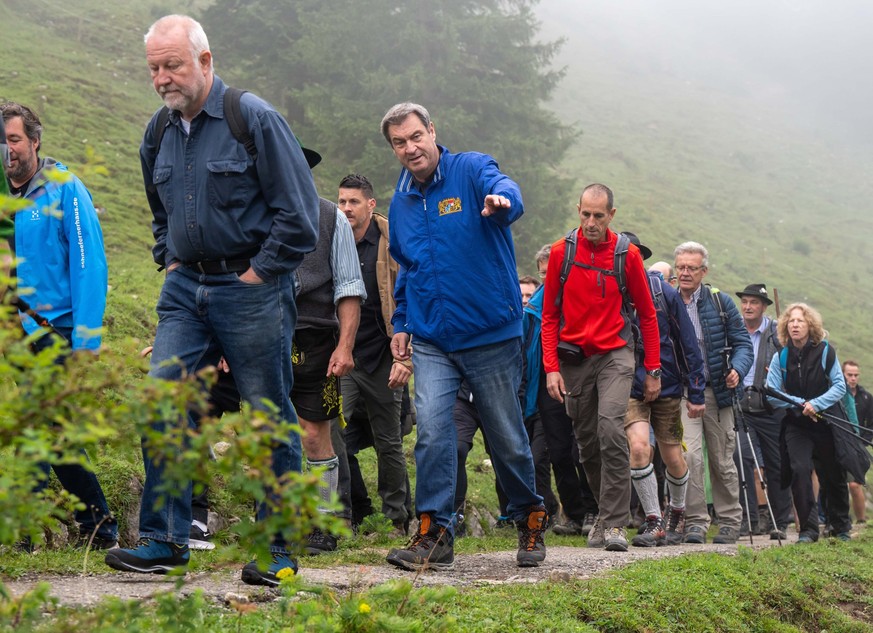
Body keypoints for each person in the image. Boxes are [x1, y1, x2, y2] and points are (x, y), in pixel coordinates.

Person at [104, 15, 319, 586]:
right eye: (153, 67)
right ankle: (165, 541)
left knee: (268, 414)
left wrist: (256, 275)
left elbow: (300, 218)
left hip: (250, 289)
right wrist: (167, 257)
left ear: (204, 61)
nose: (162, 78)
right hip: (183, 290)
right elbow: (159, 208)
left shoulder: (255, 118)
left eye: (171, 64)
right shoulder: (158, 131)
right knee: (162, 402)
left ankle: (279, 549)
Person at [381, 102, 547, 570]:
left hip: (491, 333)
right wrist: (401, 324)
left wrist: (503, 202)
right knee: (433, 432)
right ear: (393, 148)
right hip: (433, 339)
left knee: (507, 437)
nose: (410, 148)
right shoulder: (402, 203)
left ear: (432, 131)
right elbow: (407, 271)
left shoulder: (471, 170)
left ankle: (530, 515)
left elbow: (505, 186)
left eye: (416, 136)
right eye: (399, 142)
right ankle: (434, 533)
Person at [1, 102, 117, 549]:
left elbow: (90, 265)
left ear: (34, 141)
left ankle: (22, 534)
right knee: (54, 431)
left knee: (35, 421)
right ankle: (99, 525)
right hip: (13, 330)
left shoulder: (63, 188)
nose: (7, 149)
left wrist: (87, 339)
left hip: (56, 329)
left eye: (14, 139)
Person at [541, 184, 661, 552]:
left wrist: (653, 368)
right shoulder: (564, 252)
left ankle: (614, 524)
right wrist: (551, 368)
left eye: (598, 215)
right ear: (579, 210)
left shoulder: (628, 255)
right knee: (587, 444)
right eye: (585, 214)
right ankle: (603, 516)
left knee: (610, 426)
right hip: (574, 358)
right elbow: (549, 315)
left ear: (612, 215)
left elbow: (647, 312)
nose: (591, 222)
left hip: (616, 353)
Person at [335, 173, 411, 536]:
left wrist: (404, 357)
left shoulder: (392, 242)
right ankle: (353, 511)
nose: (346, 208)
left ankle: (396, 517)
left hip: (384, 353)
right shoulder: (334, 241)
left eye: (353, 202)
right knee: (334, 435)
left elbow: (408, 296)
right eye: (342, 202)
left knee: (388, 441)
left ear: (370, 204)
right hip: (345, 355)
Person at [621, 233, 706, 547]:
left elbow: (687, 343)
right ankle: (654, 519)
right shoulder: (611, 294)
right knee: (640, 448)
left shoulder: (664, 292)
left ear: (639, 258)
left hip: (668, 386)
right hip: (629, 386)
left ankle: (677, 512)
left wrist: (696, 392)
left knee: (672, 456)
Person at [673, 241, 753, 545]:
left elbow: (743, 344)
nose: (685, 273)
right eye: (681, 267)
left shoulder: (721, 304)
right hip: (683, 392)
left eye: (692, 268)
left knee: (721, 459)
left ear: (703, 271)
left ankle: (730, 520)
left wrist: (739, 370)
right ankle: (695, 521)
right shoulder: (669, 299)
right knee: (689, 455)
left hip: (718, 392)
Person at [527, 244, 598, 537]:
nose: (547, 278)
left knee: (582, 448)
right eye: (543, 274)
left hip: (579, 377)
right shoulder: (535, 304)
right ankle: (574, 514)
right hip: (548, 383)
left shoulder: (579, 295)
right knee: (557, 451)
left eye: (552, 272)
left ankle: (595, 509)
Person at [765, 303, 852, 542]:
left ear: (810, 325)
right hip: (797, 423)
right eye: (791, 321)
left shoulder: (825, 351)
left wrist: (816, 404)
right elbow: (771, 392)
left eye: (800, 321)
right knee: (799, 469)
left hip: (826, 420)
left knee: (832, 472)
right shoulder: (780, 356)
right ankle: (808, 529)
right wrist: (801, 404)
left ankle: (840, 525)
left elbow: (839, 386)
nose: (795, 325)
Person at [735, 283, 793, 539]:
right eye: (745, 301)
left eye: (754, 302)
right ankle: (749, 517)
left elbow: (791, 365)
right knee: (740, 459)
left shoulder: (776, 333)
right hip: (740, 405)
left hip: (771, 408)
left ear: (764, 306)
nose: (748, 307)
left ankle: (779, 521)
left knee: (776, 463)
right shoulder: (734, 330)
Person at [842, 360, 871, 523]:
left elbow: (871, 422)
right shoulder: (837, 394)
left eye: (856, 375)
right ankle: (841, 519)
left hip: (858, 446)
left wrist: (863, 441)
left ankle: (861, 520)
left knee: (855, 483)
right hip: (839, 442)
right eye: (849, 375)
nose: (853, 378)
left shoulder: (866, 397)